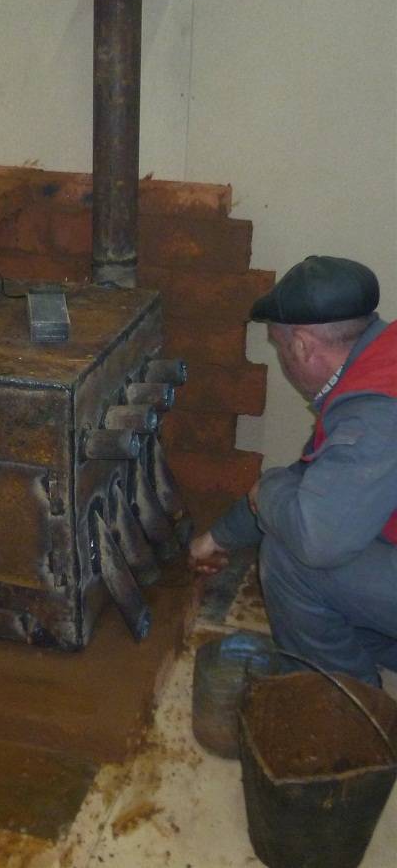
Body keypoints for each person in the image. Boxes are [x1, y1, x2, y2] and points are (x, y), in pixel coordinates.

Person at [189, 255, 397, 687]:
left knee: (292, 562)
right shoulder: (379, 361)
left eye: (280, 347)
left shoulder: (372, 414)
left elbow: (317, 539)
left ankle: (341, 713)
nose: (284, 359)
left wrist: (266, 490)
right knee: (334, 585)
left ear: (302, 345)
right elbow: (317, 483)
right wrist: (219, 537)